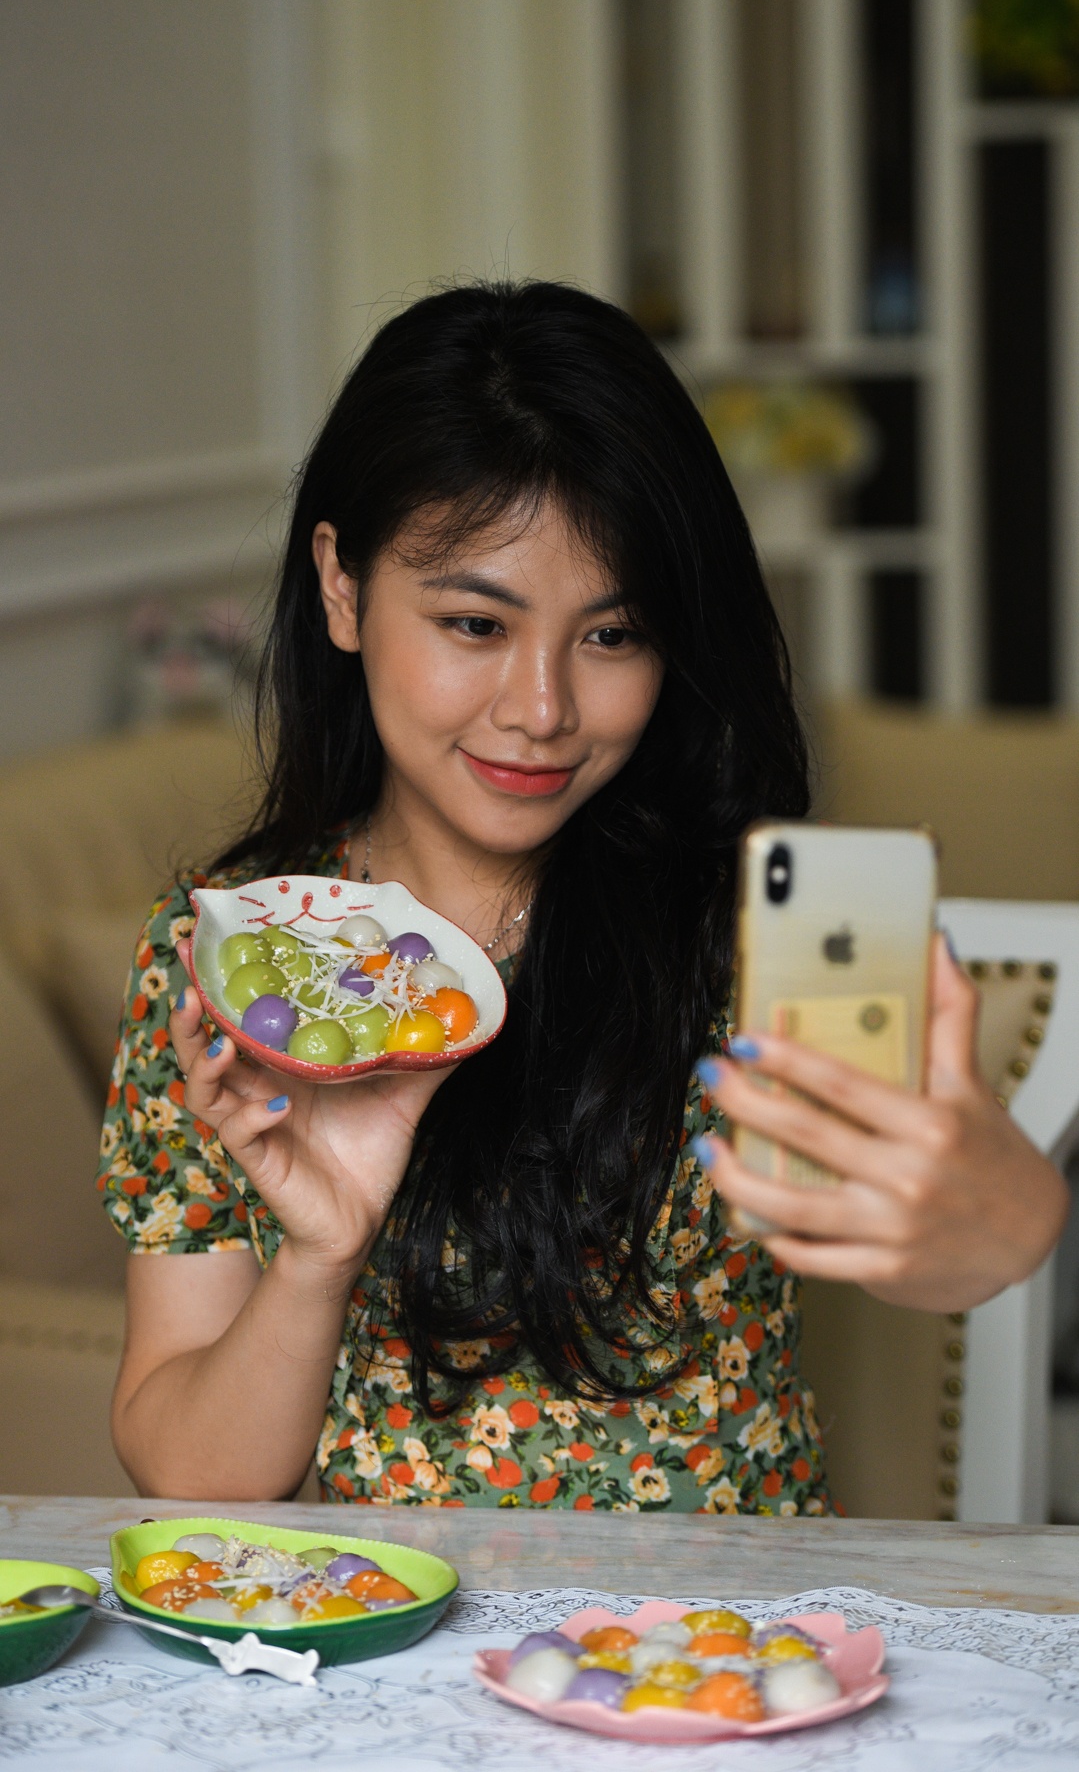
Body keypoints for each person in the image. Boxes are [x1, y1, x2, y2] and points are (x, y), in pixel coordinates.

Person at [98, 281, 1066, 1510]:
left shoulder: (755, 938)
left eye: (611, 637)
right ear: (340, 587)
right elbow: (193, 1477)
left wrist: (1006, 1208)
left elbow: (943, 1257)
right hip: (393, 1627)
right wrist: (320, 1255)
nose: (543, 710)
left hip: (723, 1630)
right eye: (474, 624)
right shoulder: (231, 959)